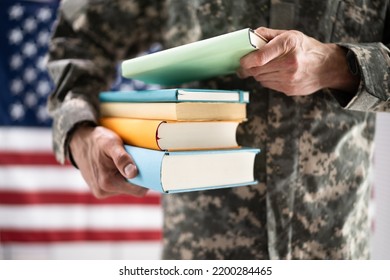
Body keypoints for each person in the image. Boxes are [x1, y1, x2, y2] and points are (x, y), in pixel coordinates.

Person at [46, 0, 390, 259]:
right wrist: (80, 130)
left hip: (334, 245)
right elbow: (79, 42)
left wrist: (338, 66)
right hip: (201, 249)